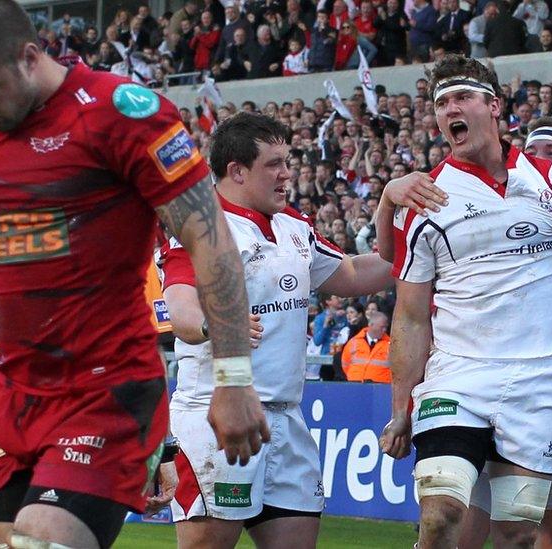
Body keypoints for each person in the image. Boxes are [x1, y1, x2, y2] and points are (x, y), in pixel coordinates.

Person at [0, 1, 266, 547]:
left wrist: (233, 378)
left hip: (104, 393)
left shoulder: (123, 114)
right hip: (9, 394)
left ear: (30, 57)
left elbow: (213, 243)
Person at [377, 55, 552, 548]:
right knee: (440, 515)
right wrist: (401, 406)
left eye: (461, 98)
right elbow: (411, 315)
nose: (449, 110)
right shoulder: (424, 197)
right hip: (459, 376)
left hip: (539, 386)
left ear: (493, 105)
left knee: (519, 531)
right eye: (440, 103)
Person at [162, 113, 392, 549]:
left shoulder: (294, 226)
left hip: (287, 420)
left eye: (288, 161)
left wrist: (418, 239)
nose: (287, 173)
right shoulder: (198, 226)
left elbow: (354, 274)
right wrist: (216, 324)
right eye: (274, 164)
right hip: (216, 416)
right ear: (237, 171)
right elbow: (180, 308)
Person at [342, 311, 392, 383]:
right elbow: (345, 364)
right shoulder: (354, 342)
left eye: (385, 327)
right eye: (382, 327)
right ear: (371, 325)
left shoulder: (390, 345)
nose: (384, 330)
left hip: (380, 387)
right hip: (355, 385)